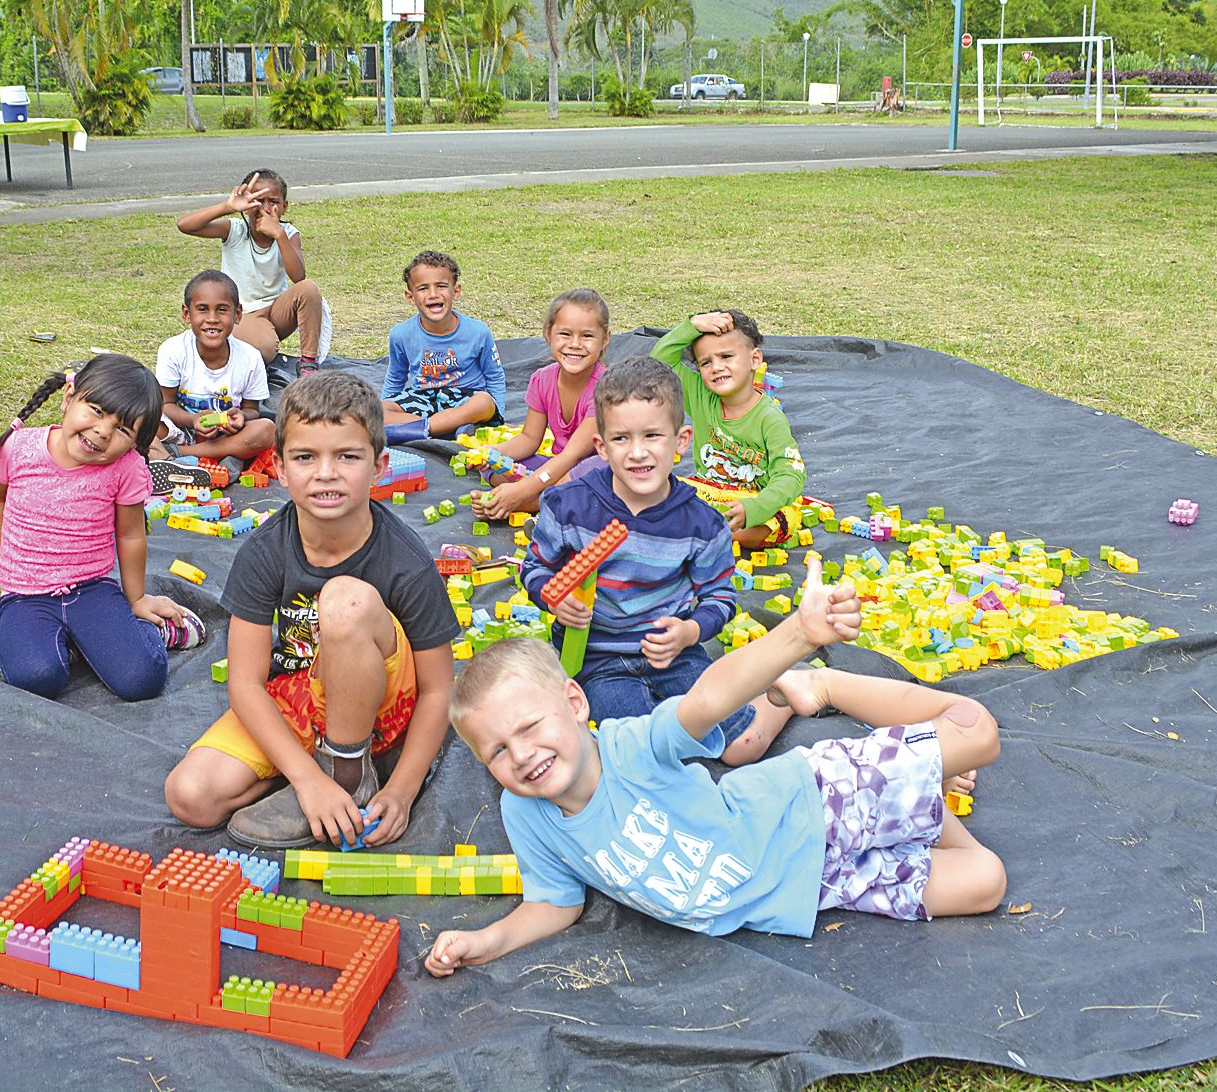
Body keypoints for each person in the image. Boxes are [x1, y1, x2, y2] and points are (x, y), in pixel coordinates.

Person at [425, 589, 1007, 977]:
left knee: (975, 732)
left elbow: (706, 700)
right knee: (986, 883)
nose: (521, 755)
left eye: (529, 727)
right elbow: (554, 904)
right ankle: (926, 802)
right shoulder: (524, 815)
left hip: (809, 801)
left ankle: (822, 686)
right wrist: (487, 942)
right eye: (496, 751)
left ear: (574, 702)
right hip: (807, 888)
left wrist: (798, 637)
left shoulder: (633, 746)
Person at [163, 371, 460, 850]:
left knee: (344, 599)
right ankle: (328, 772)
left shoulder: (404, 559)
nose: (326, 473)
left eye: (347, 456)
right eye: (306, 457)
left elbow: (439, 688)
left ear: (380, 466)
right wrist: (304, 780)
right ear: (279, 467)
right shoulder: (265, 551)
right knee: (190, 797)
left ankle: (348, 773)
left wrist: (403, 791)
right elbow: (244, 682)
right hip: (306, 693)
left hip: (387, 702)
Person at [520, 357, 814, 766]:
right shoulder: (569, 508)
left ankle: (781, 689)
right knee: (643, 752)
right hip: (599, 659)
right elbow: (535, 569)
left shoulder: (702, 524)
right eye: (621, 439)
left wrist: (691, 631)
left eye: (653, 435)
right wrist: (554, 600)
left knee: (742, 749)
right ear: (601, 447)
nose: (637, 453)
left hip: (674, 654)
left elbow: (720, 596)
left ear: (681, 440)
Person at [0, 354, 207, 701]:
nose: (103, 431)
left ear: (136, 443)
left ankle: (151, 632)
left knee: (142, 679)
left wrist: (136, 599)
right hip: (26, 595)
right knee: (35, 677)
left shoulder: (125, 469)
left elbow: (130, 534)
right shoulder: (17, 448)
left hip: (91, 589)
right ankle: (74, 643)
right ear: (68, 397)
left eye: (122, 429)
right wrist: (12, 555)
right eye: (97, 410)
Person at [650, 309, 806, 551]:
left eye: (726, 356)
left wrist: (754, 509)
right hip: (708, 493)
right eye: (706, 362)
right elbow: (660, 363)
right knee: (660, 487)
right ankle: (700, 528)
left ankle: (699, 532)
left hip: (752, 503)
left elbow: (791, 475)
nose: (716, 367)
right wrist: (692, 325)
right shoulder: (700, 396)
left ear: (754, 359)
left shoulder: (770, 418)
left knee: (787, 519)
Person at [469, 288, 610, 520]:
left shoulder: (606, 389)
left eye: (587, 336)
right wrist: (490, 454)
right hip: (557, 468)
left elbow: (573, 456)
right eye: (565, 334)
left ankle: (528, 503)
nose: (575, 344)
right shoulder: (542, 379)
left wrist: (521, 491)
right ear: (548, 334)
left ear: (605, 339)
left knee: (599, 466)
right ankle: (533, 498)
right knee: (496, 466)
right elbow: (528, 439)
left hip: (587, 471)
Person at [175, 170, 326, 372]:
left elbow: (299, 277)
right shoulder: (235, 230)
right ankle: (255, 340)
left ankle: (308, 364)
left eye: (272, 201)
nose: (264, 208)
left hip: (276, 311)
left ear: (284, 207)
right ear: (246, 205)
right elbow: (184, 225)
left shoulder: (288, 234)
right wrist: (226, 207)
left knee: (309, 289)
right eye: (257, 200)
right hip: (244, 314)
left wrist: (279, 235)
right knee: (263, 349)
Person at [150, 270, 276, 485]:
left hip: (225, 437)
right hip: (179, 429)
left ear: (237, 314)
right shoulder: (173, 350)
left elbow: (252, 409)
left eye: (222, 310)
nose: (212, 319)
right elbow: (165, 404)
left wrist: (240, 418)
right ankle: (205, 458)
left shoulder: (250, 357)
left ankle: (177, 456)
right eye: (202, 309)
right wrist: (192, 420)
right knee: (141, 419)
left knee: (267, 430)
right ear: (187, 313)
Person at [380, 251, 505, 446]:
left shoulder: (478, 331)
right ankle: (447, 429)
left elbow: (495, 376)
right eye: (423, 288)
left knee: (484, 402)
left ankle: (420, 429)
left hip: (464, 398)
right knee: (375, 410)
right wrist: (384, 411)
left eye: (441, 286)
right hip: (422, 399)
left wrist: (500, 418)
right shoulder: (400, 334)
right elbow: (396, 377)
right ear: (410, 296)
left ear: (455, 291)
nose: (433, 294)